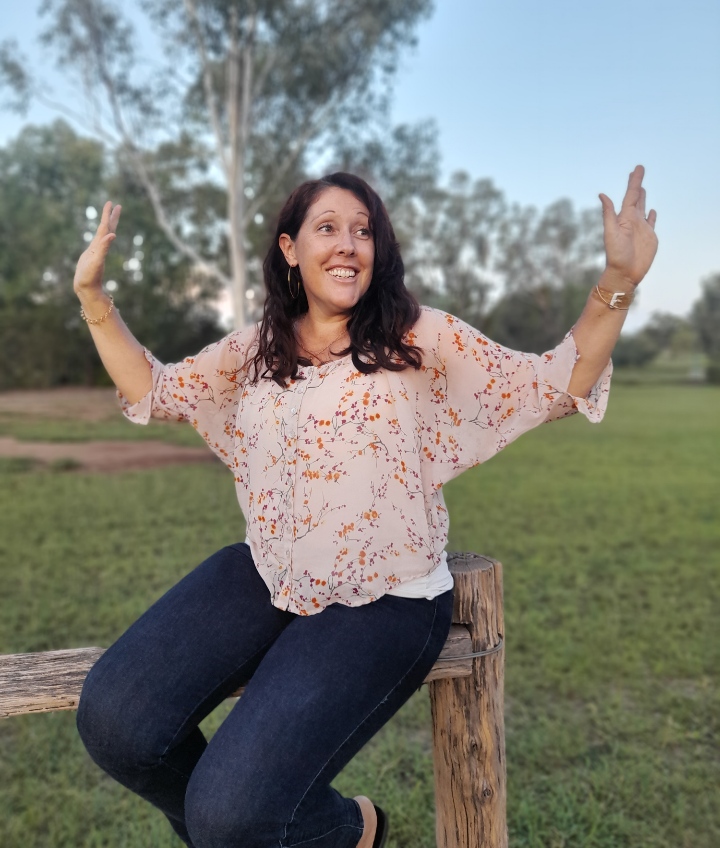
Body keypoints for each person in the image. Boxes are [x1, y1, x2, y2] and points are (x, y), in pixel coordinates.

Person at [73, 167, 658, 848]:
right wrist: (93, 297)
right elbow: (158, 388)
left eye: (363, 231)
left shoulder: (418, 337)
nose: (349, 243)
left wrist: (618, 281)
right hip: (267, 574)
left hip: (388, 600)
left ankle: (346, 827)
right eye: (328, 228)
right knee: (116, 724)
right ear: (291, 249)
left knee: (230, 815)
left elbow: (554, 383)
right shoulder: (257, 347)